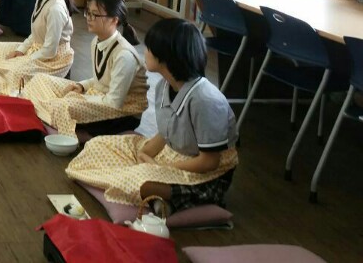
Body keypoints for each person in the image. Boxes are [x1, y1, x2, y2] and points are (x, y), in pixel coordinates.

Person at [66, 18, 238, 215]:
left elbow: (209, 162)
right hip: (175, 154)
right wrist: (145, 154)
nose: (144, 52)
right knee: (97, 146)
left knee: (142, 182)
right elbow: (167, 131)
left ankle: (165, 197)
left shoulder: (206, 100)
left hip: (207, 174)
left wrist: (162, 168)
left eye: (149, 48)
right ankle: (160, 199)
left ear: (166, 56)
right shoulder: (164, 85)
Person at [22, 0, 148, 136]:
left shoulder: (124, 55)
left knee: (63, 105)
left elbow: (114, 101)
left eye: (95, 15)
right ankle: (56, 119)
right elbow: (102, 80)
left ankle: (75, 130)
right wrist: (82, 86)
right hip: (101, 97)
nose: (89, 18)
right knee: (40, 79)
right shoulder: (96, 41)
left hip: (123, 113)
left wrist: (80, 98)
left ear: (114, 20)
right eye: (88, 13)